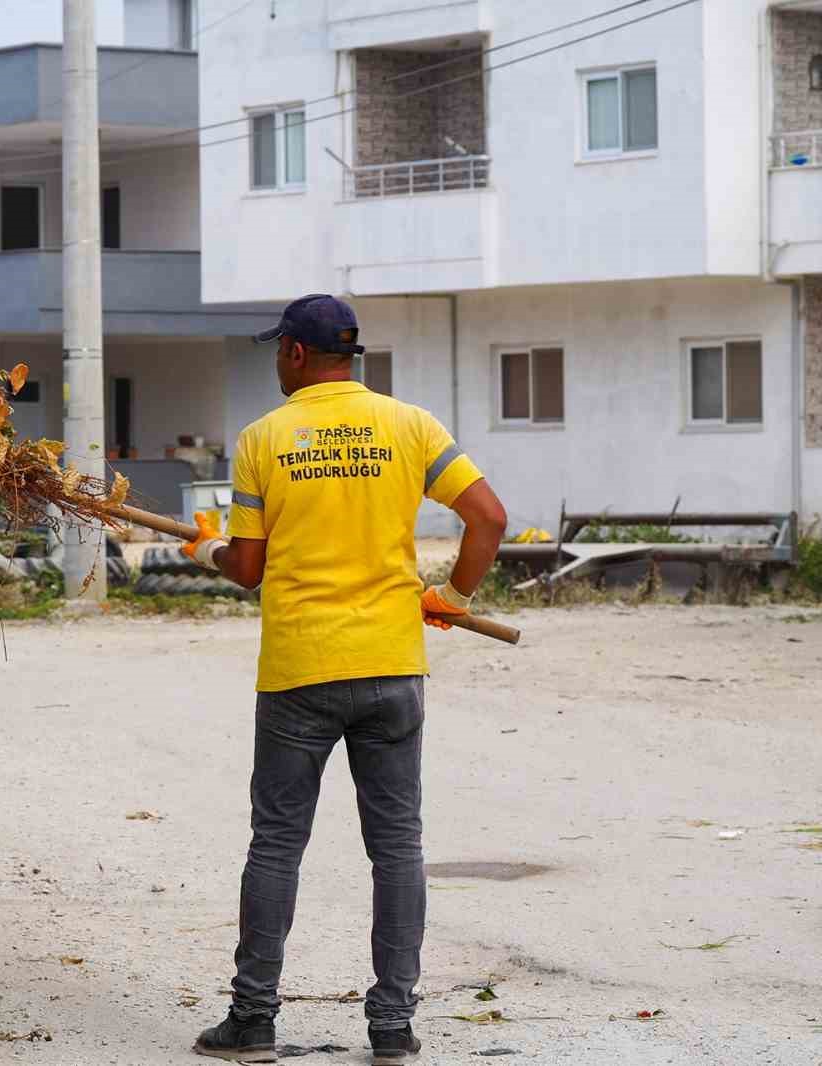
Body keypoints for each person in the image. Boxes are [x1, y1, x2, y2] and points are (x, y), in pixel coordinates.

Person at [184, 294, 507, 1064]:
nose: (276, 360)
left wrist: (205, 549)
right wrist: (453, 597)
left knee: (276, 844)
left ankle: (253, 1021)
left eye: (278, 349)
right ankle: (392, 1027)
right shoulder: (411, 426)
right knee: (397, 848)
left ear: (297, 353)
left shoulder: (265, 439)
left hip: (300, 670)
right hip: (392, 667)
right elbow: (489, 518)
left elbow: (248, 568)